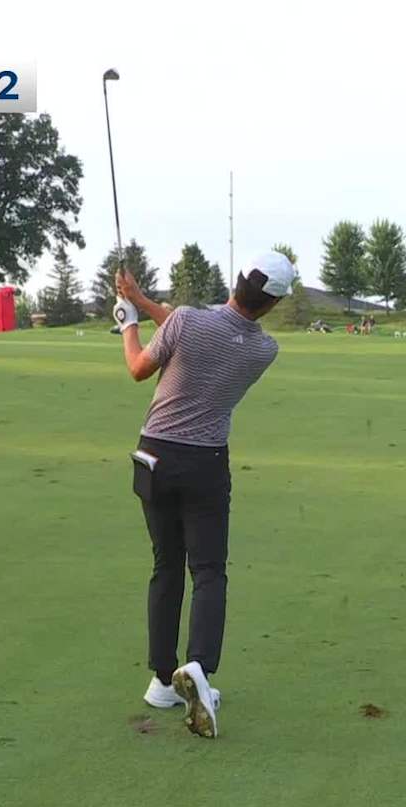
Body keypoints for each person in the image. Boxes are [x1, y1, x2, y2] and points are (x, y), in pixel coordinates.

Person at [111, 250, 294, 739]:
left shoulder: (188, 323)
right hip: (206, 464)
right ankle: (198, 667)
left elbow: (139, 367)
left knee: (165, 566)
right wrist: (142, 301)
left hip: (155, 457)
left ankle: (160, 678)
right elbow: (196, 331)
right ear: (272, 304)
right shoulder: (263, 350)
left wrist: (128, 320)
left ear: (236, 279)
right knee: (208, 571)